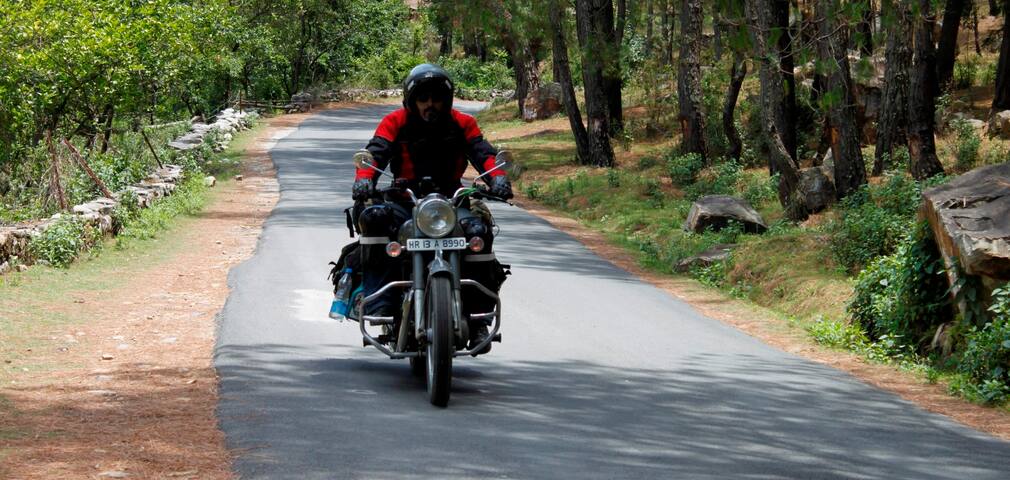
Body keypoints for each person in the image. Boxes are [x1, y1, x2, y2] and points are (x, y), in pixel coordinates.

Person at [351, 63, 512, 350]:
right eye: (423, 99)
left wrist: (497, 177)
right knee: (374, 218)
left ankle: (478, 318)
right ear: (412, 100)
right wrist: (364, 179)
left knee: (478, 231)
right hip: (405, 200)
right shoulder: (395, 122)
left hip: (451, 201)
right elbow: (375, 154)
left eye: (436, 98)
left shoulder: (463, 123)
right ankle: (379, 301)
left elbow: (483, 153)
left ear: (446, 100)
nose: (430, 104)